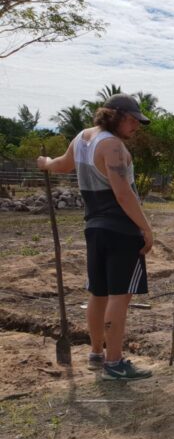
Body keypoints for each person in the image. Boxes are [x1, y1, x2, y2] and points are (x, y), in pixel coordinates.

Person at [37, 93, 154, 381]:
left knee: (98, 293)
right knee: (119, 295)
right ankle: (114, 363)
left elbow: (62, 164)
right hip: (121, 229)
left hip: (94, 227)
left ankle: (96, 353)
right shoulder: (112, 145)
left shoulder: (82, 138)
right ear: (113, 115)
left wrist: (45, 162)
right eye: (131, 120)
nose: (135, 126)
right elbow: (123, 194)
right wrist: (146, 228)